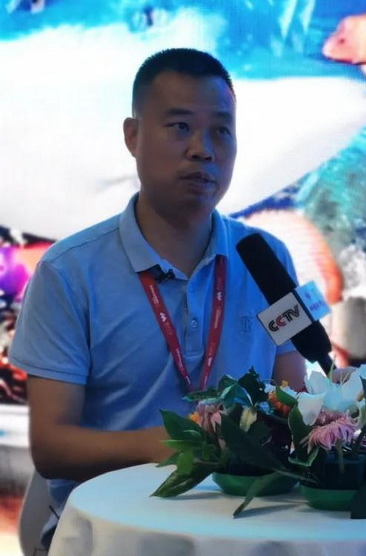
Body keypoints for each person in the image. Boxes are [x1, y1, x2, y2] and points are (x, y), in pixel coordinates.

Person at [9, 48, 306, 546]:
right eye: (180, 127)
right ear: (133, 136)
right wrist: (169, 443)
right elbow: (52, 448)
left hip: (245, 527)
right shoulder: (69, 272)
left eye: (221, 131)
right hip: (110, 534)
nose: (203, 150)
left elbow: (293, 401)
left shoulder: (267, 260)